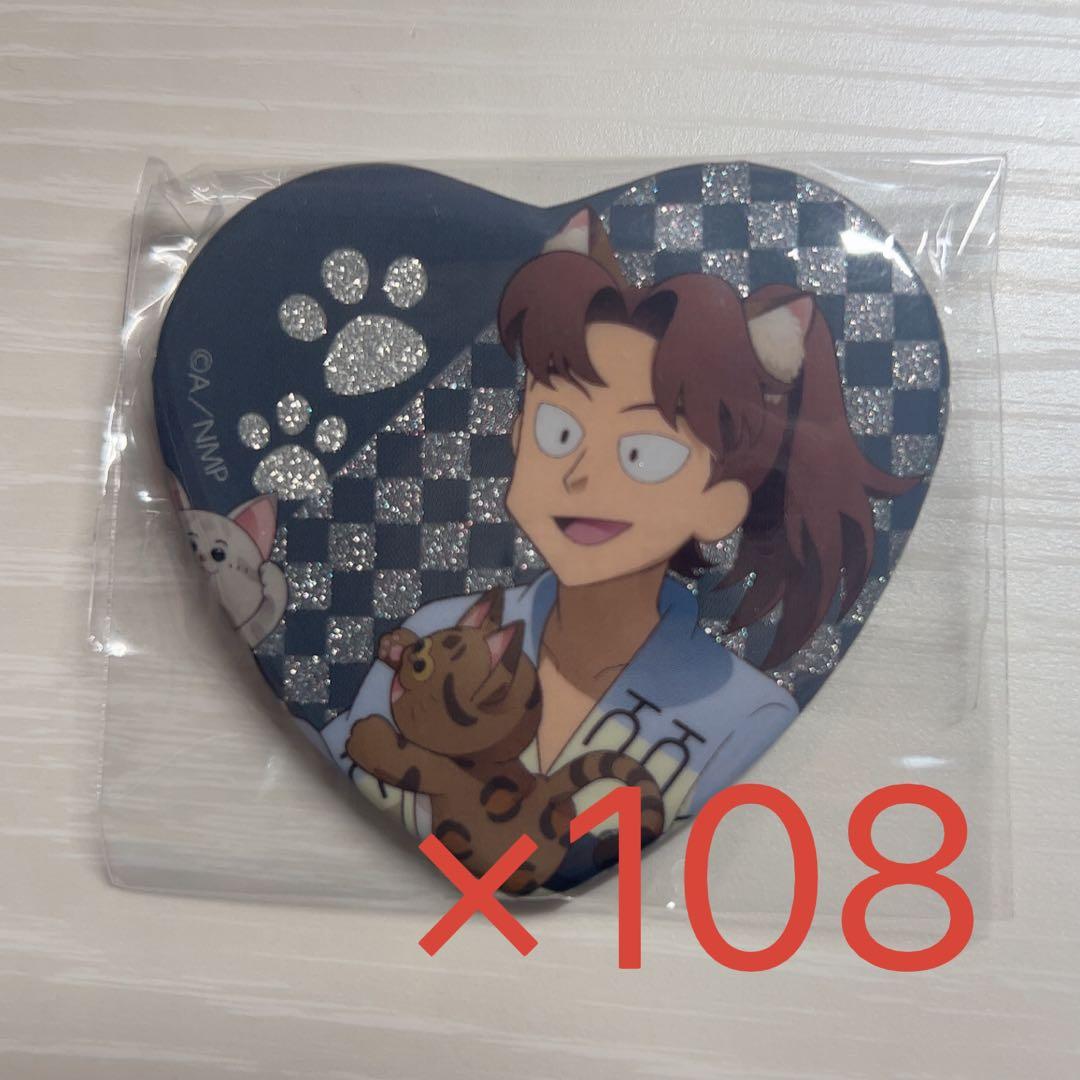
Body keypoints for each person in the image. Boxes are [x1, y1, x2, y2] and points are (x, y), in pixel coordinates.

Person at [319, 208, 914, 882]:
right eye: (559, 432)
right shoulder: (439, 632)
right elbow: (347, 762)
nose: (581, 476)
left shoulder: (744, 714)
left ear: (721, 503)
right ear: (517, 437)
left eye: (643, 453)